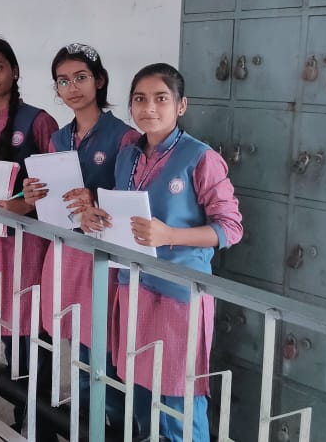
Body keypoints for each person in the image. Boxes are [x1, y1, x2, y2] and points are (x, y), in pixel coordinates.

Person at [81, 63, 242, 441]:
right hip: (132, 287)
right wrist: (96, 217)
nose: (148, 108)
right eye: (139, 99)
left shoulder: (200, 158)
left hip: (177, 294)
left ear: (181, 105)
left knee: (177, 399)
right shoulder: (128, 156)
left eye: (160, 99)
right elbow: (124, 213)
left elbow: (231, 228)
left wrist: (171, 234)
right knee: (141, 393)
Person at [22, 43, 139, 430]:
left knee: (104, 346)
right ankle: (88, 421)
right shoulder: (59, 138)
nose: (72, 87)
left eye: (81, 78)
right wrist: (32, 194)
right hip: (66, 250)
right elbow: (52, 201)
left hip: (102, 257)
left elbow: (132, 201)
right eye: (63, 81)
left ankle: (114, 424)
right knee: (79, 345)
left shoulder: (124, 137)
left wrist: (96, 197)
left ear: (99, 80)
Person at [0, 37, 59, 440]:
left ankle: (40, 423)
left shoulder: (38, 121)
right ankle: (23, 412)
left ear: (15, 71)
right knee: (6, 325)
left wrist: (22, 205)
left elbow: (54, 184)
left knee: (32, 328)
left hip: (27, 242)